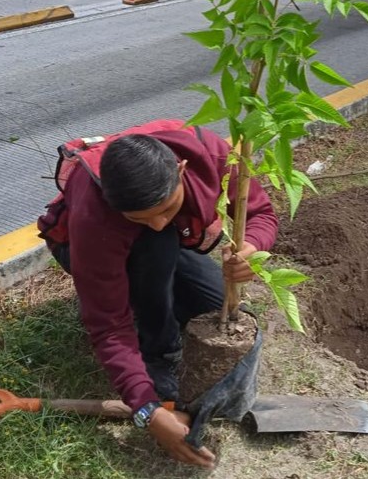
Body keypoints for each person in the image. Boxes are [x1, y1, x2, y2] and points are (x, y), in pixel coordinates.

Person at [37, 119, 278, 468]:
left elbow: (260, 213)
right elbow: (108, 327)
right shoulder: (95, 215)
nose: (157, 220)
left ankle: (153, 290)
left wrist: (254, 247)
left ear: (181, 170)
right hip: (81, 247)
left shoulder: (211, 154)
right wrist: (147, 408)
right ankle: (158, 352)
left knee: (210, 308)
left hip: (165, 247)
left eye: (166, 208)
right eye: (140, 217)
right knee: (156, 245)